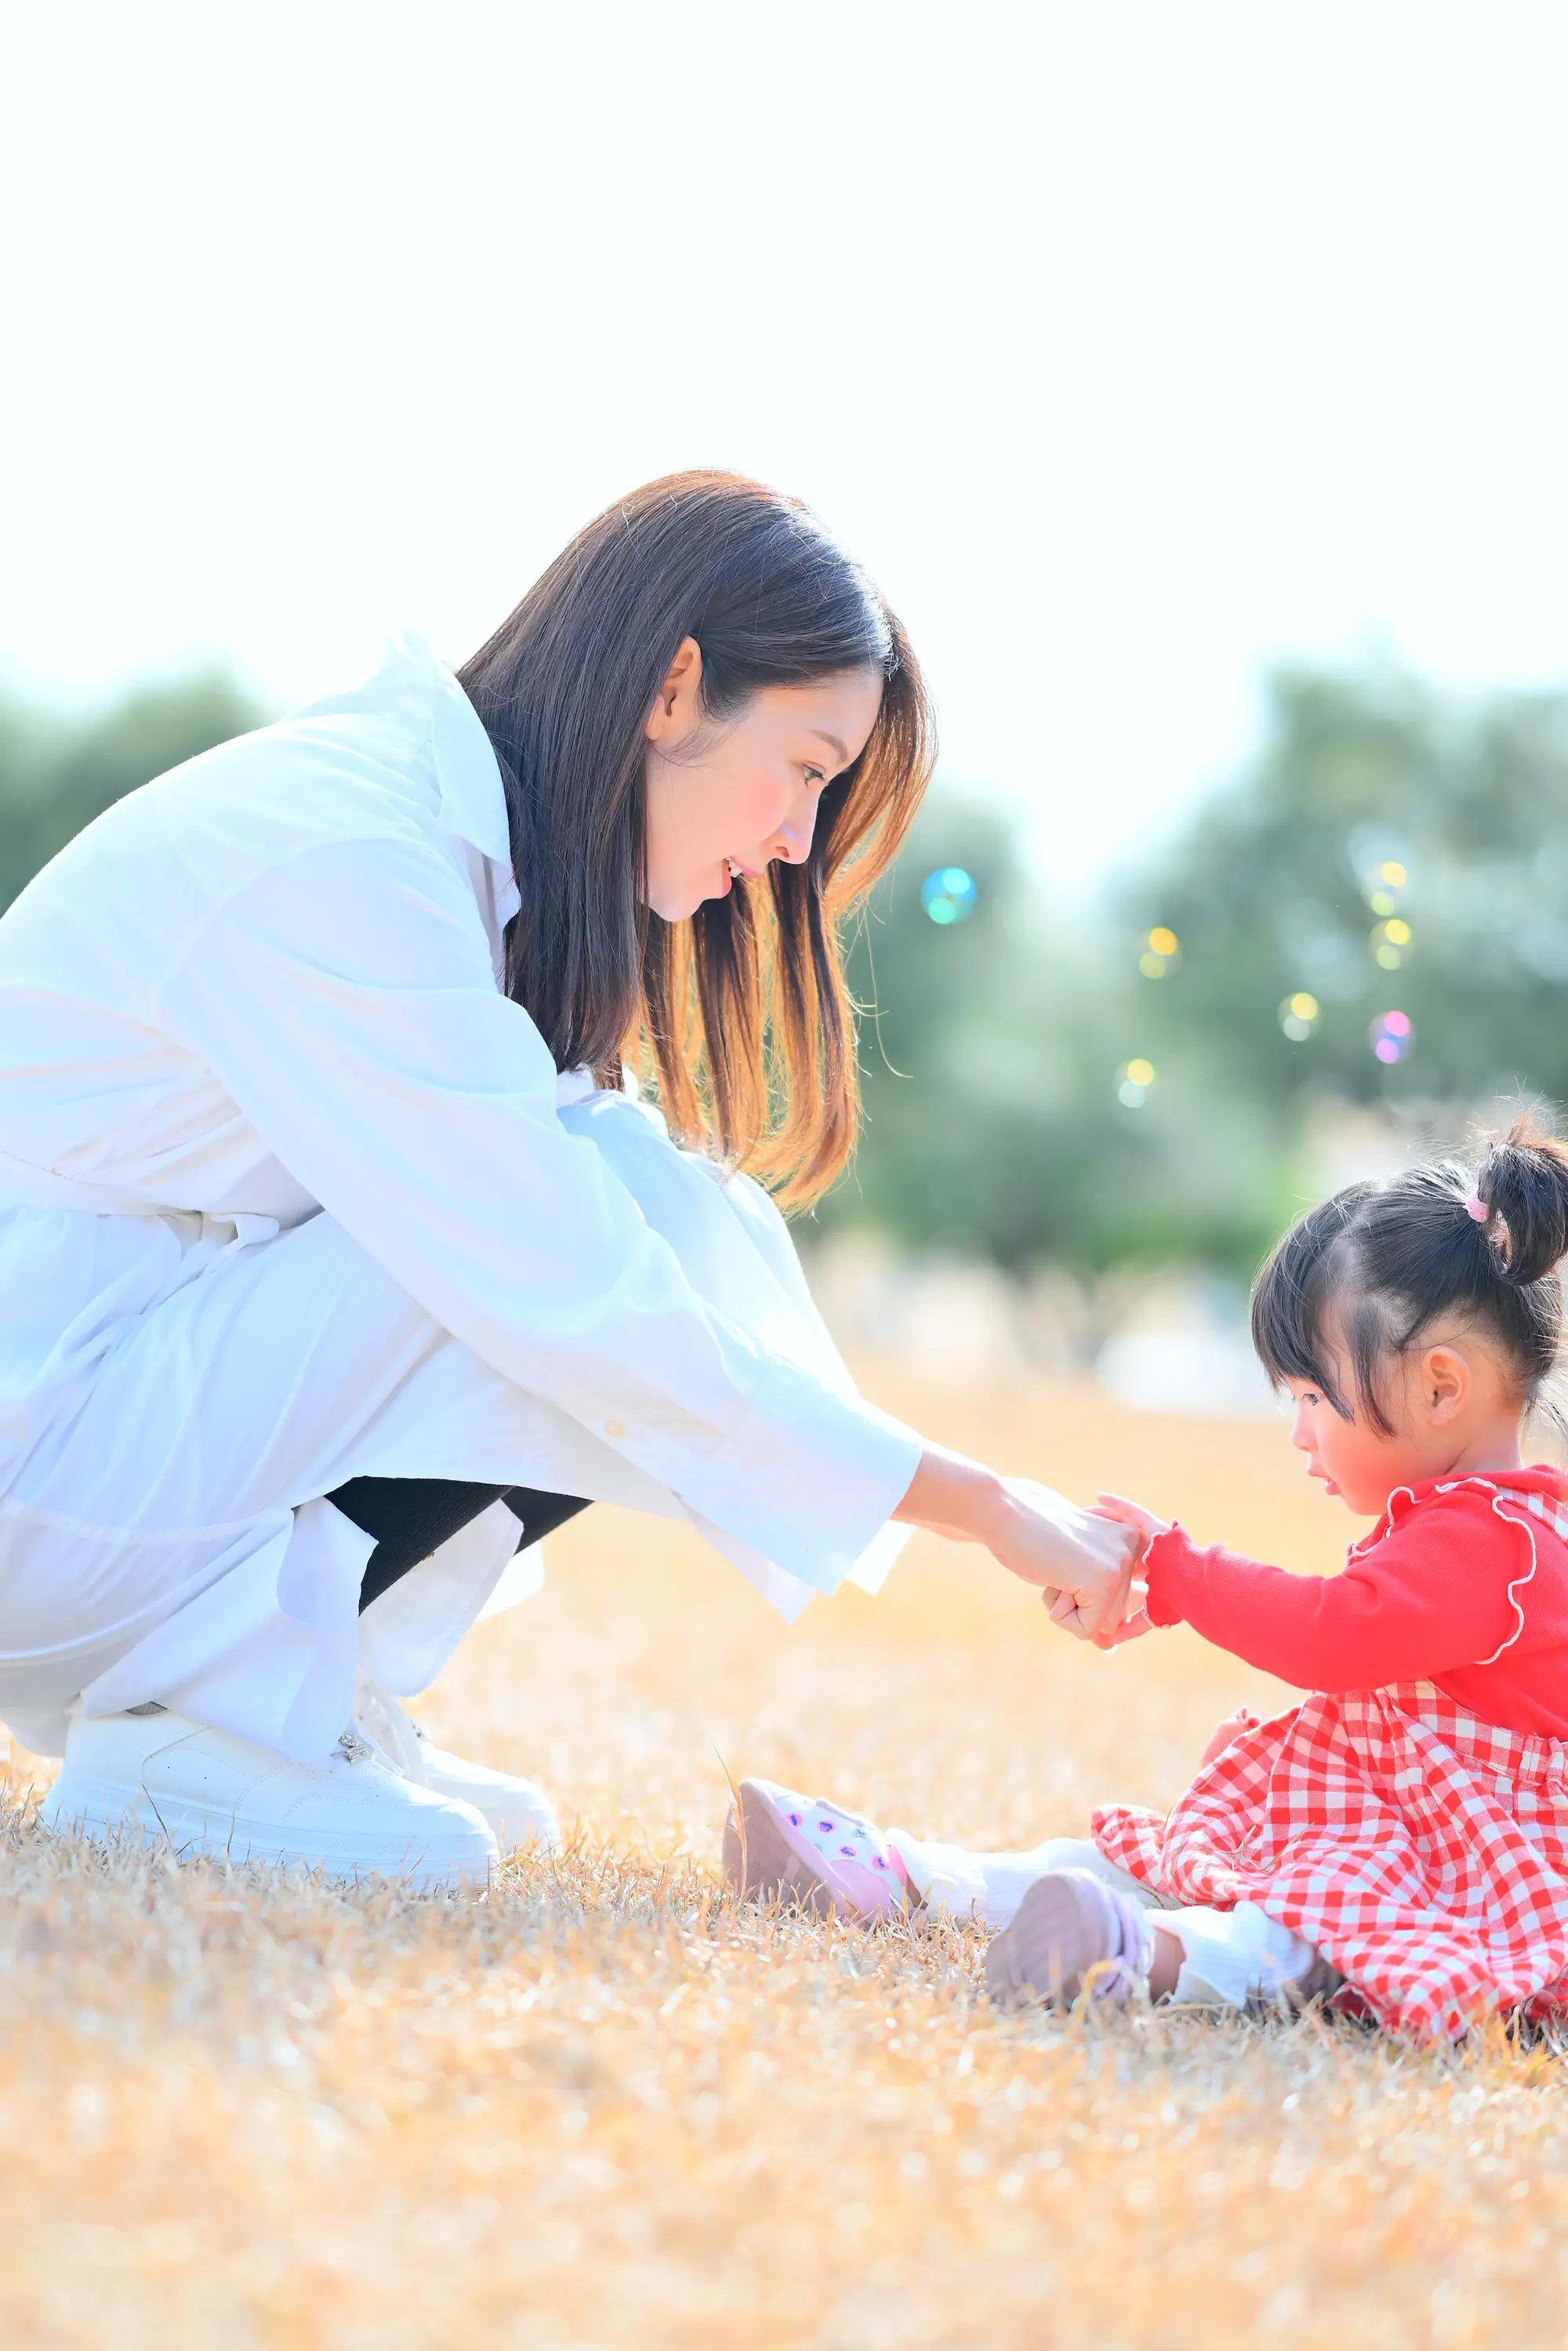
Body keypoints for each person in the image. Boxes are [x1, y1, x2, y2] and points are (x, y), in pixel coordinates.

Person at [0, 471, 1131, 1887]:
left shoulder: (441, 848)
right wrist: (985, 1503)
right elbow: (567, 1286)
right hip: (42, 1468)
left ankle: (281, 1687)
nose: (799, 840)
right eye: (806, 766)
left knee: (658, 1201)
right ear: (674, 687)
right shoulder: (346, 852)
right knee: (593, 1229)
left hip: (99, 1433)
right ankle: (195, 1727)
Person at [726, 1122, 1568, 2041]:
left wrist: (1174, 1567)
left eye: (1309, 1397)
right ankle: (907, 1874)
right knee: (1144, 1861)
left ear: (1440, 1387)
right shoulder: (1466, 1528)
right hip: (1381, 1838)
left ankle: (1133, 1953)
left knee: (1288, 1934)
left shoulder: (1502, 1546)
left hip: (1446, 1875)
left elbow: (1330, 1634)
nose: (1297, 1433)